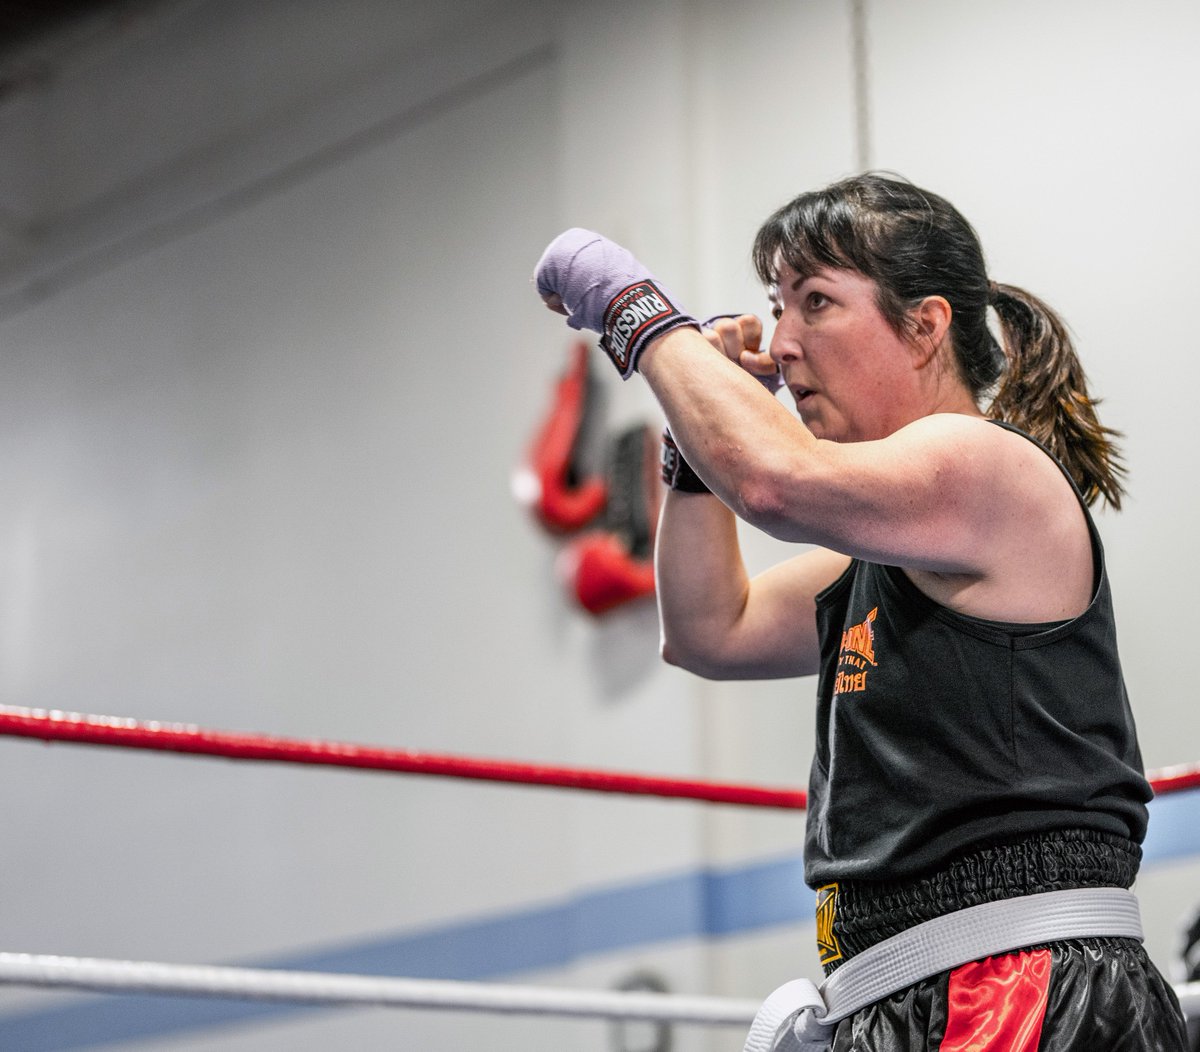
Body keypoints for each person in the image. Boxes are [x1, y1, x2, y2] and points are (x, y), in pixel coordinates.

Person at [533, 173, 1188, 1048]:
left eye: (816, 302)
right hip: (904, 988)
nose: (784, 342)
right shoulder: (878, 560)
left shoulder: (986, 467)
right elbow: (704, 631)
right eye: (777, 305)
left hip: (1021, 983)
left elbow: (772, 480)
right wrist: (693, 450)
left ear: (925, 327)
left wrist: (638, 314)